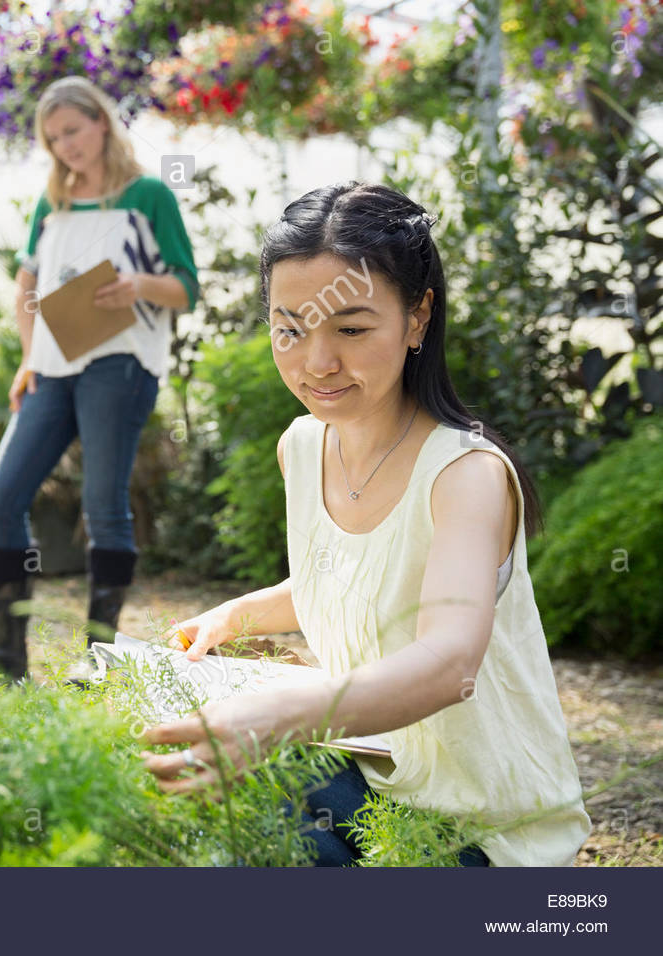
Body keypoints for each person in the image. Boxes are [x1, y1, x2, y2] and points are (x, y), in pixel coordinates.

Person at [141, 182, 591, 867]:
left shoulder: (465, 475)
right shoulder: (303, 445)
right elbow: (357, 575)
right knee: (176, 798)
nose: (316, 362)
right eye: (289, 328)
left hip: (481, 835)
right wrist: (234, 618)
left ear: (417, 320)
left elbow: (449, 663)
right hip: (373, 780)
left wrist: (282, 713)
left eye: (351, 329)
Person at [0, 76, 199, 680]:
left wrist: (137, 286)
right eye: (53, 139)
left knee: (103, 506)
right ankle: (3, 647)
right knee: (0, 497)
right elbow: (27, 288)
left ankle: (100, 656)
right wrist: (27, 358)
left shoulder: (149, 195)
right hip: (52, 364)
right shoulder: (54, 202)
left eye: (72, 130)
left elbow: (186, 288)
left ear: (101, 122)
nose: (66, 146)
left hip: (120, 364)